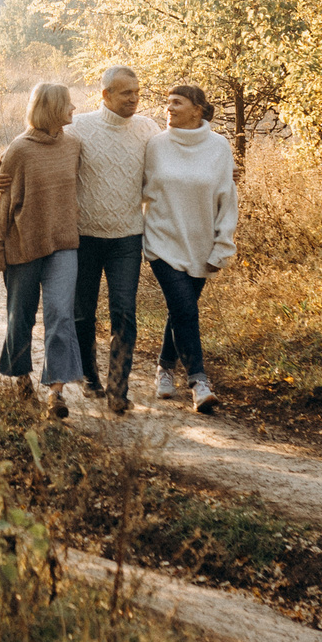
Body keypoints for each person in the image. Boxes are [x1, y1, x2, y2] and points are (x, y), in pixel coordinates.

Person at [0, 65, 157, 413]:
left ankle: (74, 391)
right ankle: (38, 376)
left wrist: (222, 168)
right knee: (31, 316)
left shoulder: (94, 139)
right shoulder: (48, 139)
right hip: (49, 240)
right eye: (126, 92)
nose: (74, 109)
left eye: (137, 92)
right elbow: (10, 180)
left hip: (88, 240)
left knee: (73, 315)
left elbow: (169, 154)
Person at [0, 80, 87, 417]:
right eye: (68, 103)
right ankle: (20, 376)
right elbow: (4, 202)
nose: (73, 108)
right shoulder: (20, 149)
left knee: (61, 314)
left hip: (64, 242)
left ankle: (56, 392)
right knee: (21, 316)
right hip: (23, 243)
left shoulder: (73, 145)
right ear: (51, 108)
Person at [142, 83, 238, 410]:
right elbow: (133, 186)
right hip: (162, 241)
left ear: (198, 109)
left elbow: (227, 200)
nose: (168, 108)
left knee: (180, 311)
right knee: (185, 309)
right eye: (167, 102)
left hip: (201, 245)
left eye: (177, 102)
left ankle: (164, 368)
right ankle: (199, 381)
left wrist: (223, 246)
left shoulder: (219, 147)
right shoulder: (155, 145)